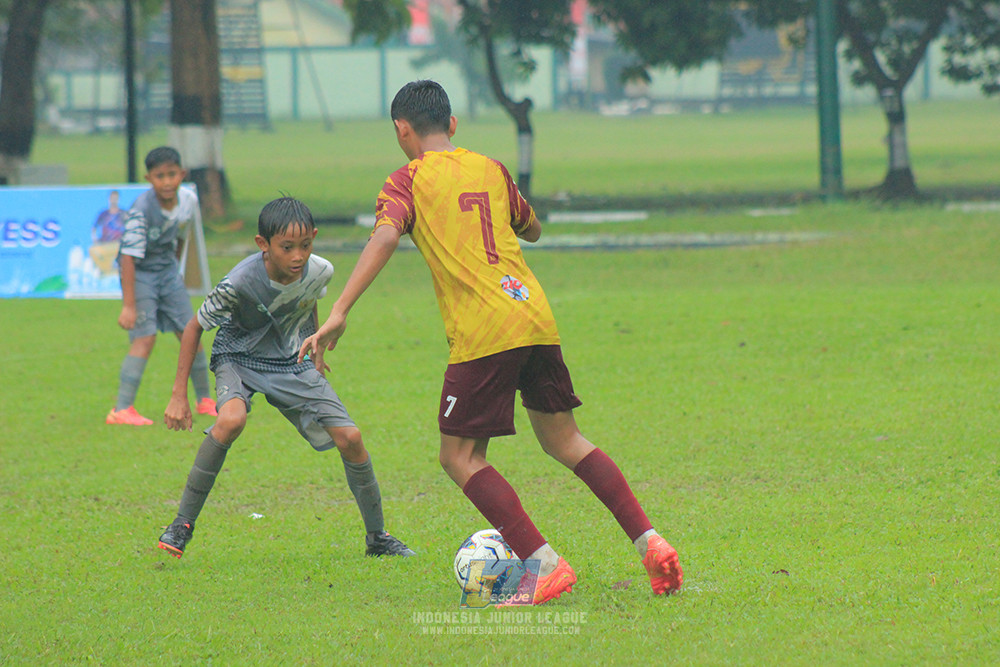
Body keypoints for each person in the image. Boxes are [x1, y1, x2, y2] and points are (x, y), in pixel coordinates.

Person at [299, 80, 681, 605]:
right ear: (452, 125)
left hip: (484, 329)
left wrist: (339, 310)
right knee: (566, 441)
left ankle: (543, 564)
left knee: (458, 456)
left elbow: (386, 234)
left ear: (401, 129)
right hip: (532, 313)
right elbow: (534, 229)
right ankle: (650, 540)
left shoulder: (404, 181)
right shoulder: (491, 168)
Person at [158, 196, 415, 560]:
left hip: (290, 360)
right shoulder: (239, 282)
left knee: (351, 437)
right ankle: (181, 525)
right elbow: (193, 327)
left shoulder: (320, 270)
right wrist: (178, 395)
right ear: (263, 245)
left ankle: (378, 538)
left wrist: (315, 345)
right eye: (287, 248)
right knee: (231, 420)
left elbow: (307, 300)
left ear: (314, 237)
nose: (298, 256)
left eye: (306, 246)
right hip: (238, 357)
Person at [107, 147, 217, 425]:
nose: (167, 181)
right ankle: (121, 410)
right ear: (149, 178)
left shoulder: (189, 201)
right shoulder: (141, 211)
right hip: (141, 275)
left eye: (171, 174)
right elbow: (128, 259)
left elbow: (181, 236)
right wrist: (129, 306)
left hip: (168, 273)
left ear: (182, 174)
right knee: (146, 338)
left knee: (191, 331)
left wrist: (174, 272)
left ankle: (205, 399)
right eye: (160, 176)